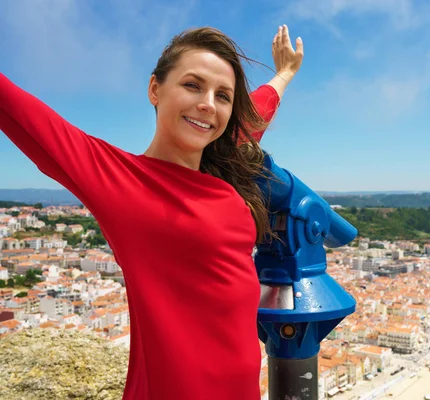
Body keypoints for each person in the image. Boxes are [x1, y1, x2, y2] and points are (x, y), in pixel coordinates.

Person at [0, 24, 303, 399]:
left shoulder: (222, 162)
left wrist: (284, 74)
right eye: (192, 85)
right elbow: (15, 109)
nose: (208, 103)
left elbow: (254, 113)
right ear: (155, 89)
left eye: (222, 96)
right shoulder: (120, 182)